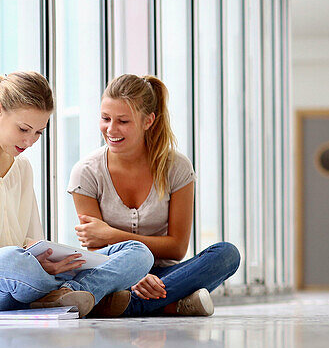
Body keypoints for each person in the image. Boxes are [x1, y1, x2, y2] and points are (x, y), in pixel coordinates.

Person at [0, 71, 154, 319]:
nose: (30, 140)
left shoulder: (22, 167)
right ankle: (85, 295)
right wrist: (33, 263)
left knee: (138, 253)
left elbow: (33, 241)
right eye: (24, 129)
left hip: (24, 278)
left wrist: (49, 260)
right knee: (11, 260)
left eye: (38, 132)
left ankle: (69, 293)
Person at [68, 74, 241, 316]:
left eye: (123, 121)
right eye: (105, 118)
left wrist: (111, 234)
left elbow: (177, 248)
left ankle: (129, 305)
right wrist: (132, 273)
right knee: (101, 279)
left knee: (226, 254)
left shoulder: (176, 167)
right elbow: (96, 251)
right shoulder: (86, 172)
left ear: (148, 121)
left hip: (167, 276)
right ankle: (171, 304)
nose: (111, 129)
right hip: (114, 275)